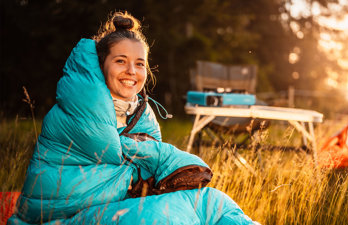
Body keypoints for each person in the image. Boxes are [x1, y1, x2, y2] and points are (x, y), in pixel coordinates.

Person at [8, 11, 256, 224]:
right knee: (165, 215)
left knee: (213, 202)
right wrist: (151, 168)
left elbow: (146, 172)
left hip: (117, 207)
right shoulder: (77, 108)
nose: (131, 71)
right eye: (120, 61)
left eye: (139, 64)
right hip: (66, 215)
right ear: (100, 65)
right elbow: (116, 164)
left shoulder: (142, 113)